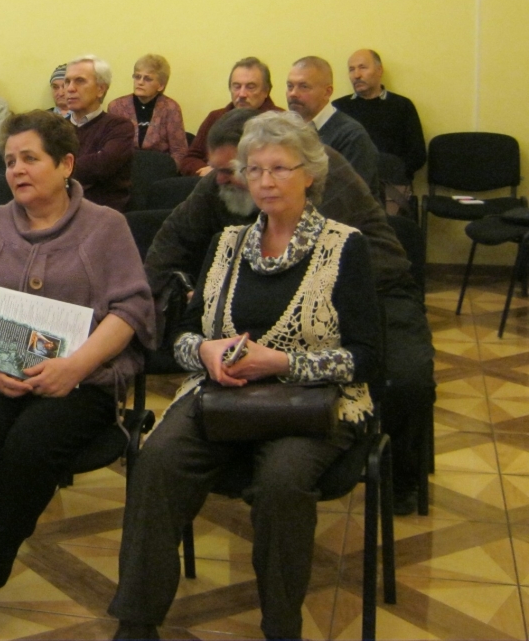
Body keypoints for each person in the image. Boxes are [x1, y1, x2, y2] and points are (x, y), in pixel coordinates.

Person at [110, 111, 381, 641]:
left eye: (280, 168)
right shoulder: (226, 244)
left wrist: (283, 363)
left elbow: (367, 356)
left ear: (309, 174)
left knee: (281, 483)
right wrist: (205, 351)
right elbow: (182, 337)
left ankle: (281, 627)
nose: (265, 181)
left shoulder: (344, 247)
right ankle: (136, 621)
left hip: (309, 404)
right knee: (157, 460)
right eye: (254, 170)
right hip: (223, 397)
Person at [0, 110, 154, 641]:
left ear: (66, 164)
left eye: (30, 159)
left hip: (78, 381)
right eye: (10, 160)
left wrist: (74, 367)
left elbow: (131, 310)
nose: (16, 169)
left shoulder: (106, 227)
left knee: (27, 451)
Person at [146, 106, 435, 515]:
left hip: (373, 285)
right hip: (283, 291)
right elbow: (173, 238)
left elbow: (336, 272)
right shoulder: (226, 176)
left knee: (404, 378)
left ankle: (403, 480)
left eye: (230, 171)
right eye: (243, 171)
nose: (221, 180)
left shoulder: (314, 169)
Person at [286, 56, 380, 196]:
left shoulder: (352, 136)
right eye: (290, 86)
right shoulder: (285, 129)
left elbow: (350, 198)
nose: (293, 93)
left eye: (304, 86)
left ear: (327, 92)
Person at [333, 48, 427, 180]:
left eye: (362, 67)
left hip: (391, 182)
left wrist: (395, 173)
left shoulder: (402, 106)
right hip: (349, 183)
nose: (356, 75)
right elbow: (327, 151)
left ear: (379, 70)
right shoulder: (339, 107)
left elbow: (417, 154)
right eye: (351, 69)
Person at [180, 57, 282, 177]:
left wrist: (228, 173)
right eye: (237, 86)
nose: (242, 94)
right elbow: (189, 159)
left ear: (266, 91)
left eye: (250, 87)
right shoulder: (216, 117)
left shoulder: (281, 121)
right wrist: (212, 173)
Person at [64, 55, 136, 210]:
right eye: (67, 81)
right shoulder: (55, 128)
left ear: (100, 89)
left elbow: (101, 166)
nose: (70, 88)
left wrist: (54, 169)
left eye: (79, 81)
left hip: (102, 211)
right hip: (59, 208)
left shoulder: (119, 126)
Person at [107, 54, 189, 167]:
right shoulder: (117, 107)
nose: (140, 82)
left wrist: (168, 171)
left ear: (160, 85)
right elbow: (112, 148)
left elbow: (179, 151)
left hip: (159, 169)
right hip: (125, 168)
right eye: (137, 77)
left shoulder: (171, 108)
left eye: (147, 79)